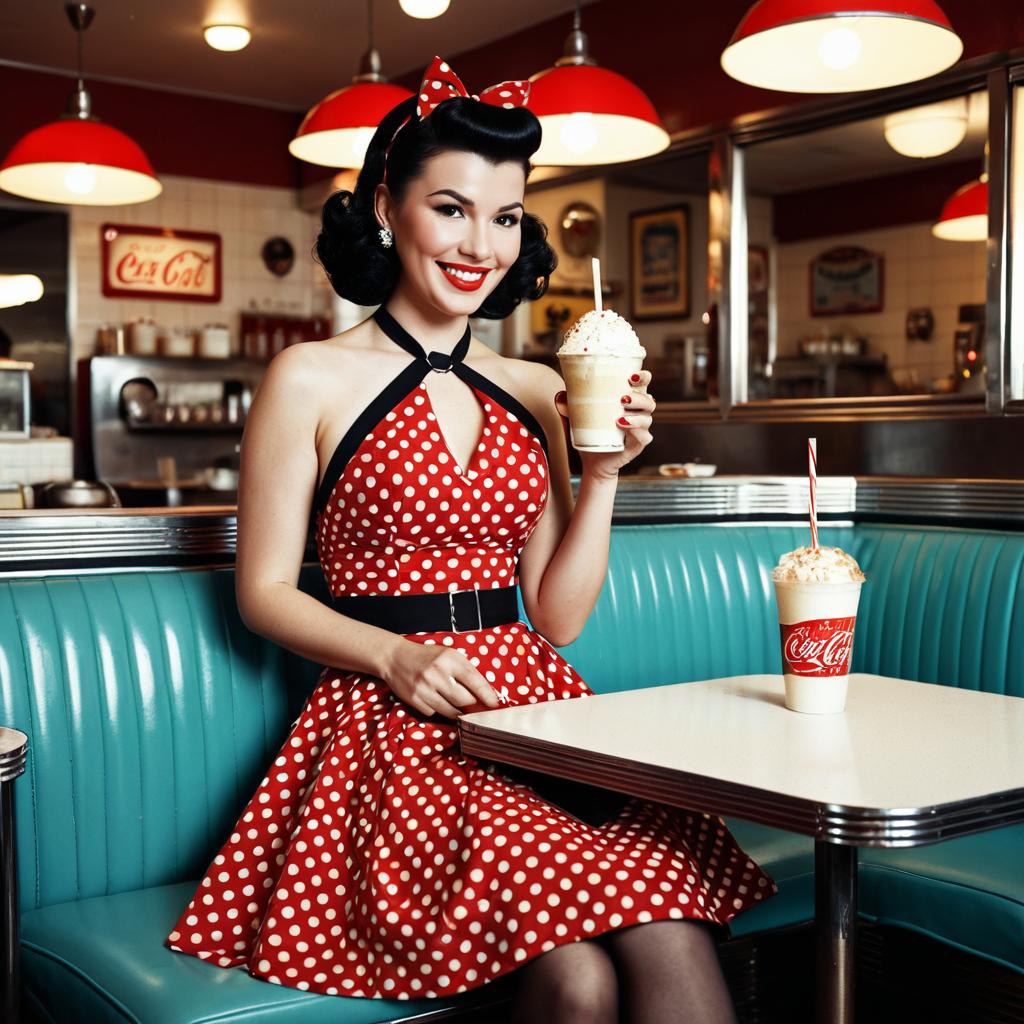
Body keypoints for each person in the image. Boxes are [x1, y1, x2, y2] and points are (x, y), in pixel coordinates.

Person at [166, 57, 775, 1024]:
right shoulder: (308, 378)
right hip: (392, 724)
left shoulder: (540, 386)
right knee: (574, 975)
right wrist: (395, 656)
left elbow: (561, 618)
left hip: (544, 716)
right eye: (451, 209)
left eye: (503, 217)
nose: (480, 245)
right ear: (384, 210)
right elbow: (265, 593)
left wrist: (606, 473)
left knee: (669, 926)